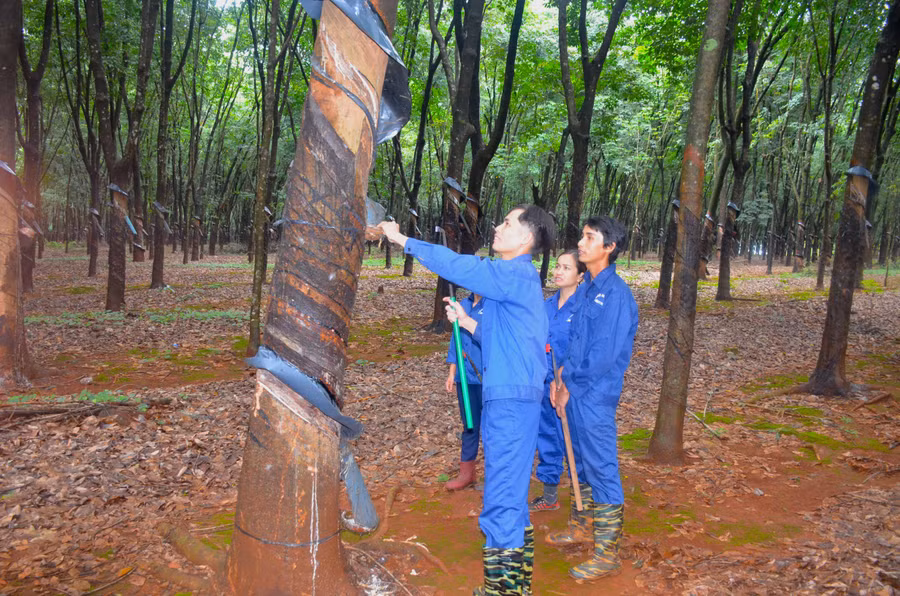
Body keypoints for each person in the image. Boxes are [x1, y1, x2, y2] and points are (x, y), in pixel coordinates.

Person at [380, 204, 555, 595]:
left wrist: (402, 239)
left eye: (507, 223)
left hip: (511, 400)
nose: (497, 226)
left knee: (501, 500)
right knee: (508, 492)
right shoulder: (518, 282)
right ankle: (514, 588)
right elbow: (502, 338)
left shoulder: (512, 272)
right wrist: (466, 320)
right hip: (509, 395)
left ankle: (503, 592)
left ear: (526, 238)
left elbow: (460, 266)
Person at [549, 215, 639, 581]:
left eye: (590, 237)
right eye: (582, 236)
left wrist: (569, 381)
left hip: (595, 396)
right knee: (580, 463)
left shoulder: (617, 295)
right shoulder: (586, 288)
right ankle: (581, 526)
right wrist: (559, 377)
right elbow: (575, 343)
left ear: (609, 247)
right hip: (572, 389)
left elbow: (603, 354)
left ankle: (607, 554)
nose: (581, 243)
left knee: (601, 467)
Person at [529, 250, 585, 512]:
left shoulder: (584, 308)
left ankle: (581, 500)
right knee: (548, 437)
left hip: (572, 387)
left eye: (567, 268)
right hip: (544, 385)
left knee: (573, 440)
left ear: (581, 275)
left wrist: (565, 381)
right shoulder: (545, 306)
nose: (559, 272)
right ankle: (549, 496)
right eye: (558, 266)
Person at [444, 291, 485, 491]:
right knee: (469, 425)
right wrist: (452, 372)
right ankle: (467, 473)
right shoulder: (463, 304)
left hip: (487, 377)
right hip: (465, 376)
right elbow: (455, 339)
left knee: (491, 427)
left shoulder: (493, 305)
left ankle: (496, 474)